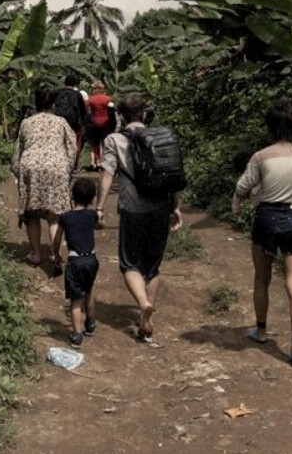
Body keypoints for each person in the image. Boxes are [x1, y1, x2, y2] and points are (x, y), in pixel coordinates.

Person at [231, 99, 292, 367]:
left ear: (269, 127)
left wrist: (239, 201)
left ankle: (262, 330)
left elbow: (243, 186)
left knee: (262, 279)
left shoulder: (261, 156)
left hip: (266, 217)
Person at [95, 93, 182, 344]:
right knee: (152, 266)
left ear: (121, 116)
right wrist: (175, 207)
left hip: (132, 208)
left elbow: (107, 176)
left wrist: (99, 207)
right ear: (144, 114)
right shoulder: (160, 137)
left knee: (130, 263)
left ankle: (143, 303)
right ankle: (146, 317)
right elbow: (171, 175)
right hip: (160, 207)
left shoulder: (114, 140)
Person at [12, 85, 76, 274]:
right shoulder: (61, 122)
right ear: (53, 104)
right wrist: (67, 168)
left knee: (32, 214)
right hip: (56, 167)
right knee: (54, 215)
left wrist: (19, 172)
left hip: (31, 167)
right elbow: (72, 148)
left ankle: (36, 254)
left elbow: (18, 152)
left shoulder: (26, 123)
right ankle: (56, 256)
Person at [53, 178, 101, 348]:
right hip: (92, 260)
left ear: (72, 196)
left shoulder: (65, 217)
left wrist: (56, 255)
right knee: (88, 291)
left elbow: (57, 238)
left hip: (75, 260)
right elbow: (96, 222)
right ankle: (90, 323)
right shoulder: (92, 215)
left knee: (75, 300)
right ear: (92, 198)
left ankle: (77, 334)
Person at [55, 74, 89, 171]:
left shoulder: (58, 92)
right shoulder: (77, 94)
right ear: (75, 83)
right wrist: (83, 123)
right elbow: (83, 111)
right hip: (73, 124)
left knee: (60, 142)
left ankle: (60, 163)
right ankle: (73, 166)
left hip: (59, 122)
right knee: (74, 144)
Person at [84, 80, 115, 170]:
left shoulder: (91, 99)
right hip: (106, 123)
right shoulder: (108, 99)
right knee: (104, 143)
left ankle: (97, 162)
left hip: (94, 123)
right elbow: (111, 110)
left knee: (95, 144)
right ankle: (104, 162)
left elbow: (87, 110)